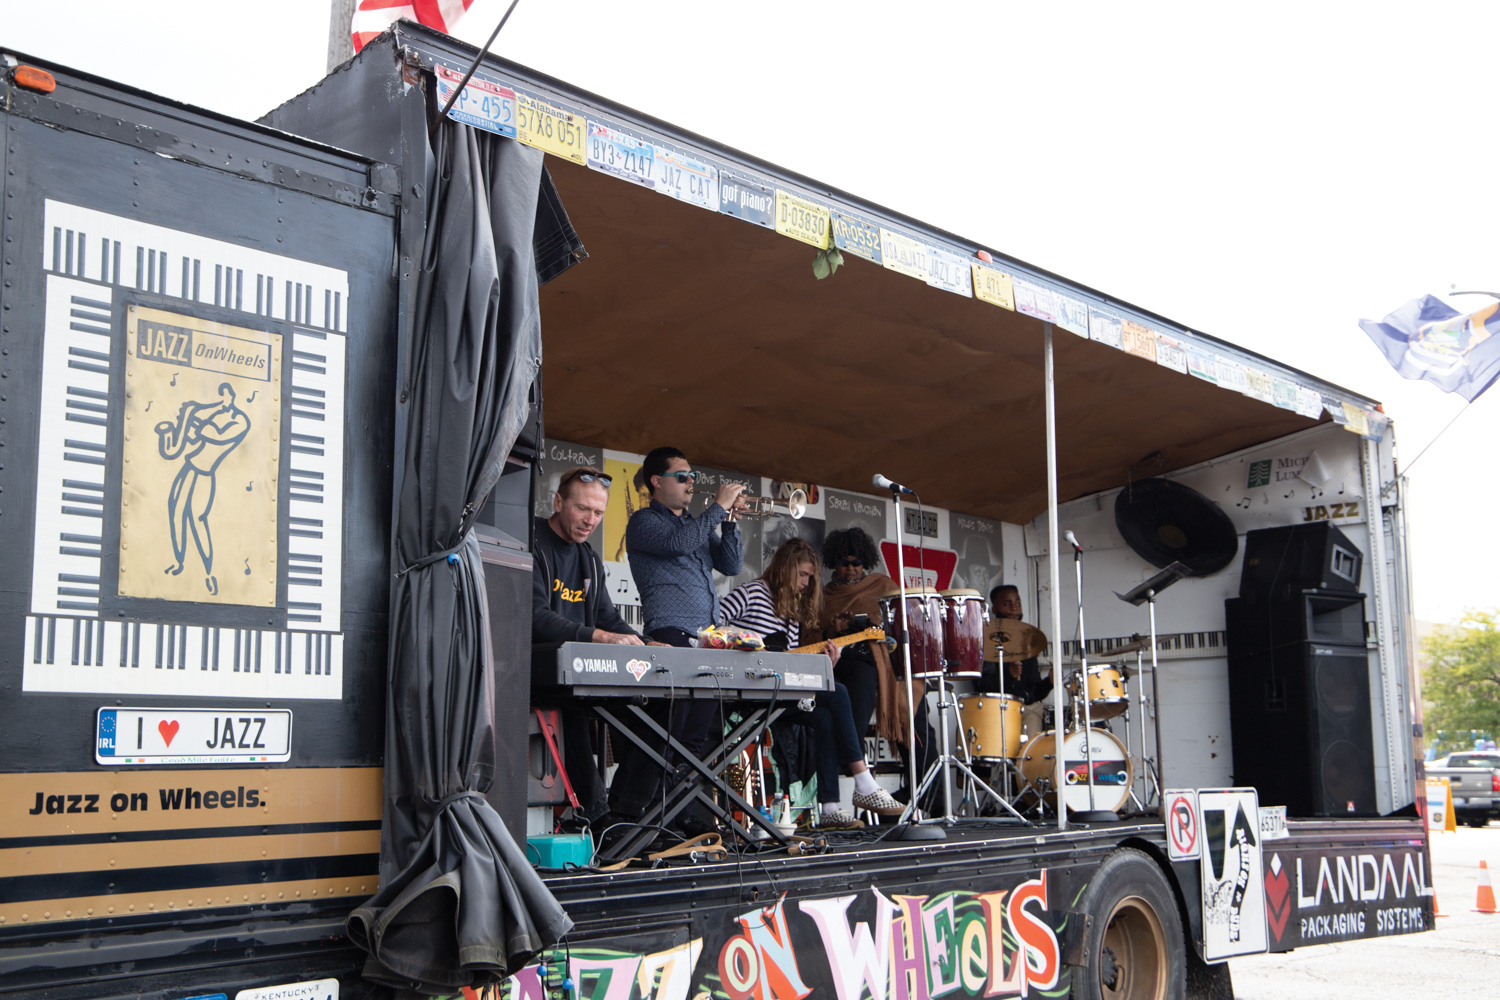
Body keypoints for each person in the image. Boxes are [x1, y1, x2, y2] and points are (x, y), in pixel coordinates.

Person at [719, 538, 903, 829]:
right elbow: (711, 625)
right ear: (785, 568)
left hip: (777, 694)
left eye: (810, 577)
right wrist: (745, 646)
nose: (806, 583)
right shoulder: (752, 592)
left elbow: (791, 660)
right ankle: (863, 781)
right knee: (839, 691)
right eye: (802, 574)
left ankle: (829, 807)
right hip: (746, 691)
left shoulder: (792, 610)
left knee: (825, 715)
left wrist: (827, 664)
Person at [624, 446, 747, 833]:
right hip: (670, 636)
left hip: (706, 641)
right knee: (669, 733)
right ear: (656, 482)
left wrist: (729, 521)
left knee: (694, 738)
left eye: (693, 476)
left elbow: (730, 565)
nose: (691, 482)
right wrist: (718, 508)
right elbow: (677, 544)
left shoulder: (695, 525)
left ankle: (686, 816)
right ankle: (643, 814)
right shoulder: (644, 521)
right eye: (682, 476)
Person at [530, 466, 647, 825]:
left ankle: (630, 810)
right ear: (558, 502)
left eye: (598, 512)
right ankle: (596, 817)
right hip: (535, 672)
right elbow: (535, 616)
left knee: (651, 709)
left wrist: (649, 644)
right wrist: (599, 637)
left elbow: (608, 618)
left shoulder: (590, 559)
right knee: (573, 707)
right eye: (582, 508)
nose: (590, 520)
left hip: (581, 673)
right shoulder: (531, 541)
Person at [806, 527, 934, 801]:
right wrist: (833, 629)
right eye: (844, 563)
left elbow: (904, 623)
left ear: (866, 561)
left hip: (887, 662)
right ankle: (854, 764)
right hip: (848, 662)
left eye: (857, 563)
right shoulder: (822, 596)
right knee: (861, 680)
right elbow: (809, 638)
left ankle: (927, 795)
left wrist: (874, 623)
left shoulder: (883, 585)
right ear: (833, 563)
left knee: (915, 711)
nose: (851, 569)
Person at [981, 584, 1052, 739]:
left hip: (1028, 706)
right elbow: (984, 687)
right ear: (994, 609)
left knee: (1059, 716)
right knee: (1032, 718)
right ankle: (1029, 756)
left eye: (1017, 603)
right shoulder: (986, 642)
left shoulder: (1027, 643)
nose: (1014, 608)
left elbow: (1034, 693)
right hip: (1000, 707)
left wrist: (1049, 682)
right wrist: (1009, 675)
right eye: (1007, 604)